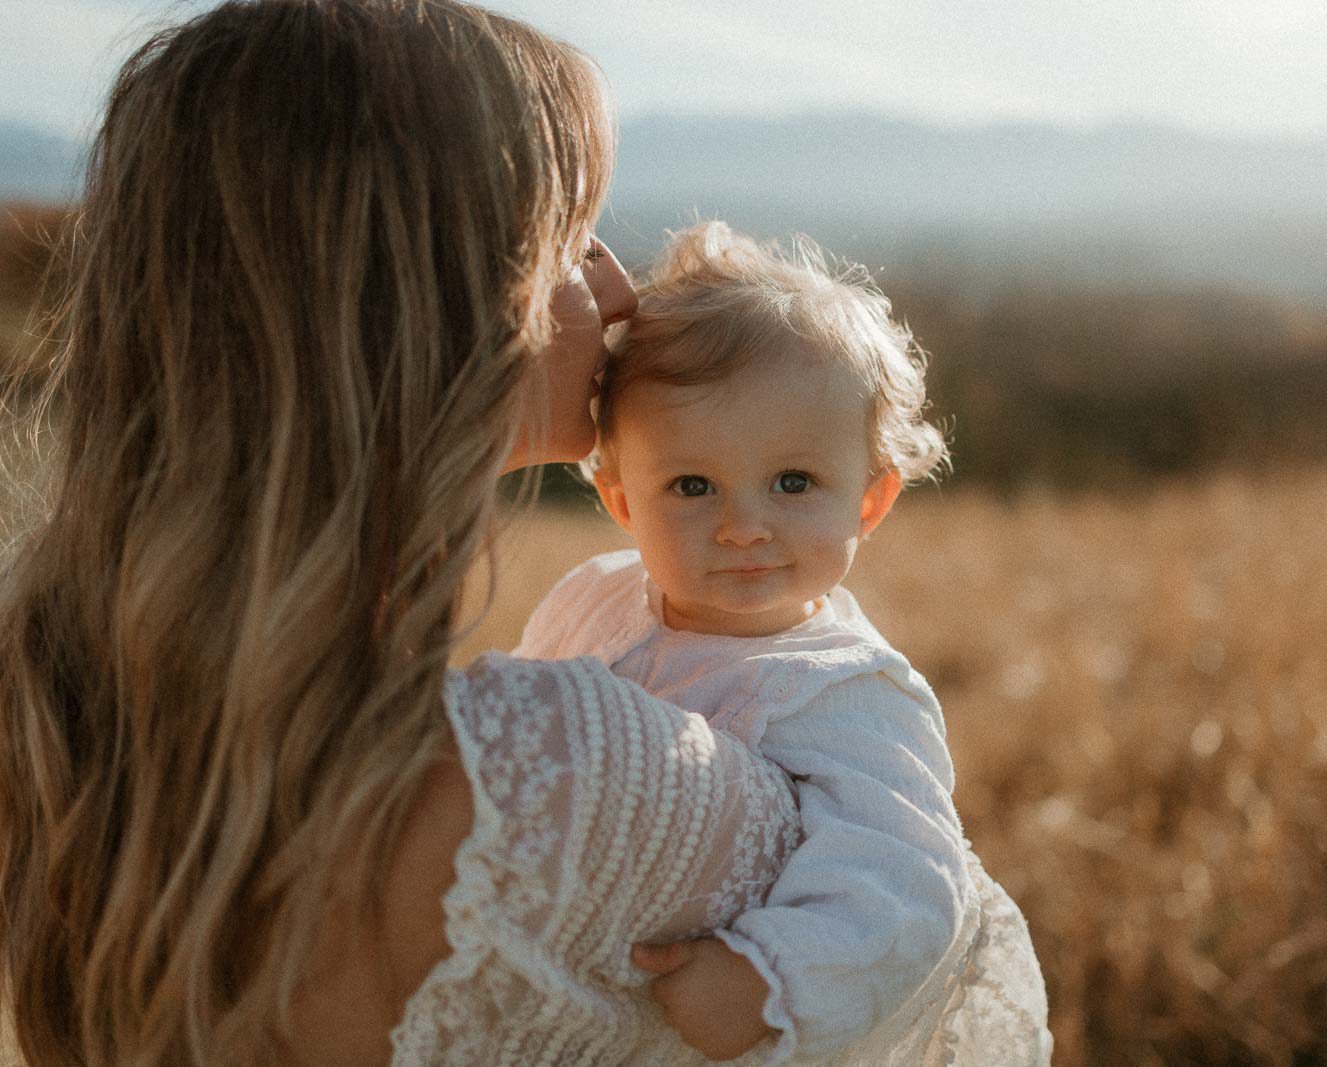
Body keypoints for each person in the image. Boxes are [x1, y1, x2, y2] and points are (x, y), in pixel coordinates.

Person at [0, 2, 808, 1064]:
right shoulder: (572, 779)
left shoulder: (53, 700)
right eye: (577, 236)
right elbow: (928, 981)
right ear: (449, 297)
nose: (619, 291)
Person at [514, 221, 1052, 1063]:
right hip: (571, 996)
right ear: (622, 501)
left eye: (793, 482)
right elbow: (522, 742)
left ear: (869, 502)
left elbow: (906, 880)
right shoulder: (591, 598)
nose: (743, 526)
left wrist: (770, 976)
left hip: (706, 1028)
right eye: (692, 485)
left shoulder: (842, 690)